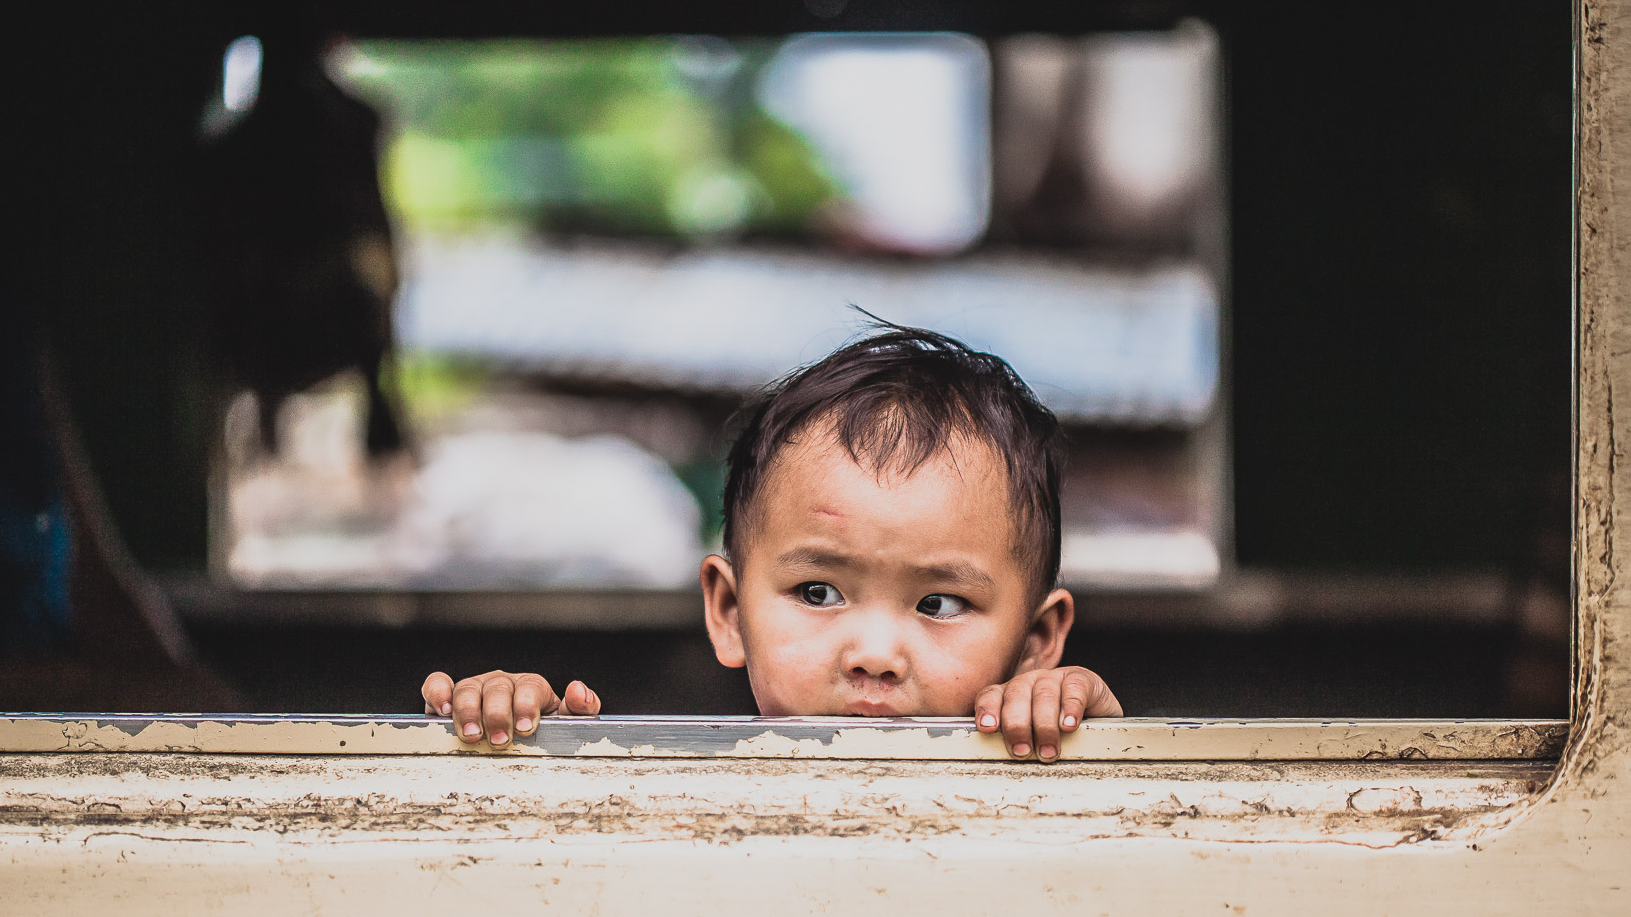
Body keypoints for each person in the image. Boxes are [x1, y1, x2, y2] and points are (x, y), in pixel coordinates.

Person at [420, 324, 1123, 761]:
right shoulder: (676, 781)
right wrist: (520, 736)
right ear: (729, 611)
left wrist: (1088, 736)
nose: (874, 656)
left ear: (1035, 640)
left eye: (940, 603)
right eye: (818, 592)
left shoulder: (1041, 758)